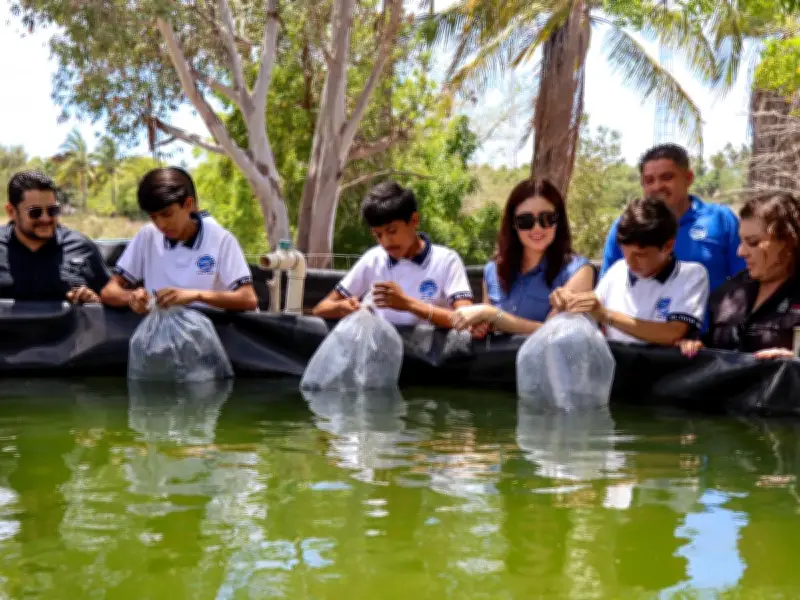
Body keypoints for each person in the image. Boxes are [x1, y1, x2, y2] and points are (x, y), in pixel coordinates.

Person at [312, 181, 473, 327]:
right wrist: (341, 308)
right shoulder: (372, 260)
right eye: (378, 235)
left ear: (414, 221)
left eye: (392, 231)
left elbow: (467, 319)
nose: (386, 242)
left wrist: (408, 304)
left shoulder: (446, 261)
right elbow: (321, 308)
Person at [554, 196, 710, 346]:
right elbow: (593, 313)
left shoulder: (692, 275)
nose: (630, 262)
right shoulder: (618, 269)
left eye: (640, 255)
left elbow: (673, 333)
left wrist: (606, 315)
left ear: (668, 246)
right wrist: (570, 303)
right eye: (625, 252)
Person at [100, 167, 257, 313]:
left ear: (188, 204)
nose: (161, 224)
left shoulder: (221, 240)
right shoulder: (147, 236)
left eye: (167, 214)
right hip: (160, 336)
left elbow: (248, 298)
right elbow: (109, 291)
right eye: (153, 217)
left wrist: (195, 296)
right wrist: (133, 298)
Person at [449, 178, 594, 335]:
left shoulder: (579, 271)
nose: (537, 228)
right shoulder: (493, 270)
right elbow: (488, 326)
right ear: (513, 224)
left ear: (558, 221)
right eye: (526, 221)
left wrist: (492, 315)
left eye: (547, 218)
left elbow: (553, 333)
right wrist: (482, 326)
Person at [600, 143, 745, 292]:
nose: (657, 186)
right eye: (649, 180)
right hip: (635, 316)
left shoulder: (721, 219)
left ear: (688, 178)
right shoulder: (625, 225)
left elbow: (745, 279)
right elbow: (608, 286)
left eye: (667, 177)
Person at [680, 192, 800, 360]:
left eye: (753, 243)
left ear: (787, 241)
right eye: (741, 241)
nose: (741, 252)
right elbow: (709, 344)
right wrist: (694, 346)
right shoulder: (727, 293)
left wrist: (794, 361)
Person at [0, 170, 110, 303]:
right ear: (11, 211)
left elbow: (110, 299)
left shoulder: (82, 247)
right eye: (35, 212)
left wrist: (93, 301)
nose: (45, 218)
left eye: (53, 210)